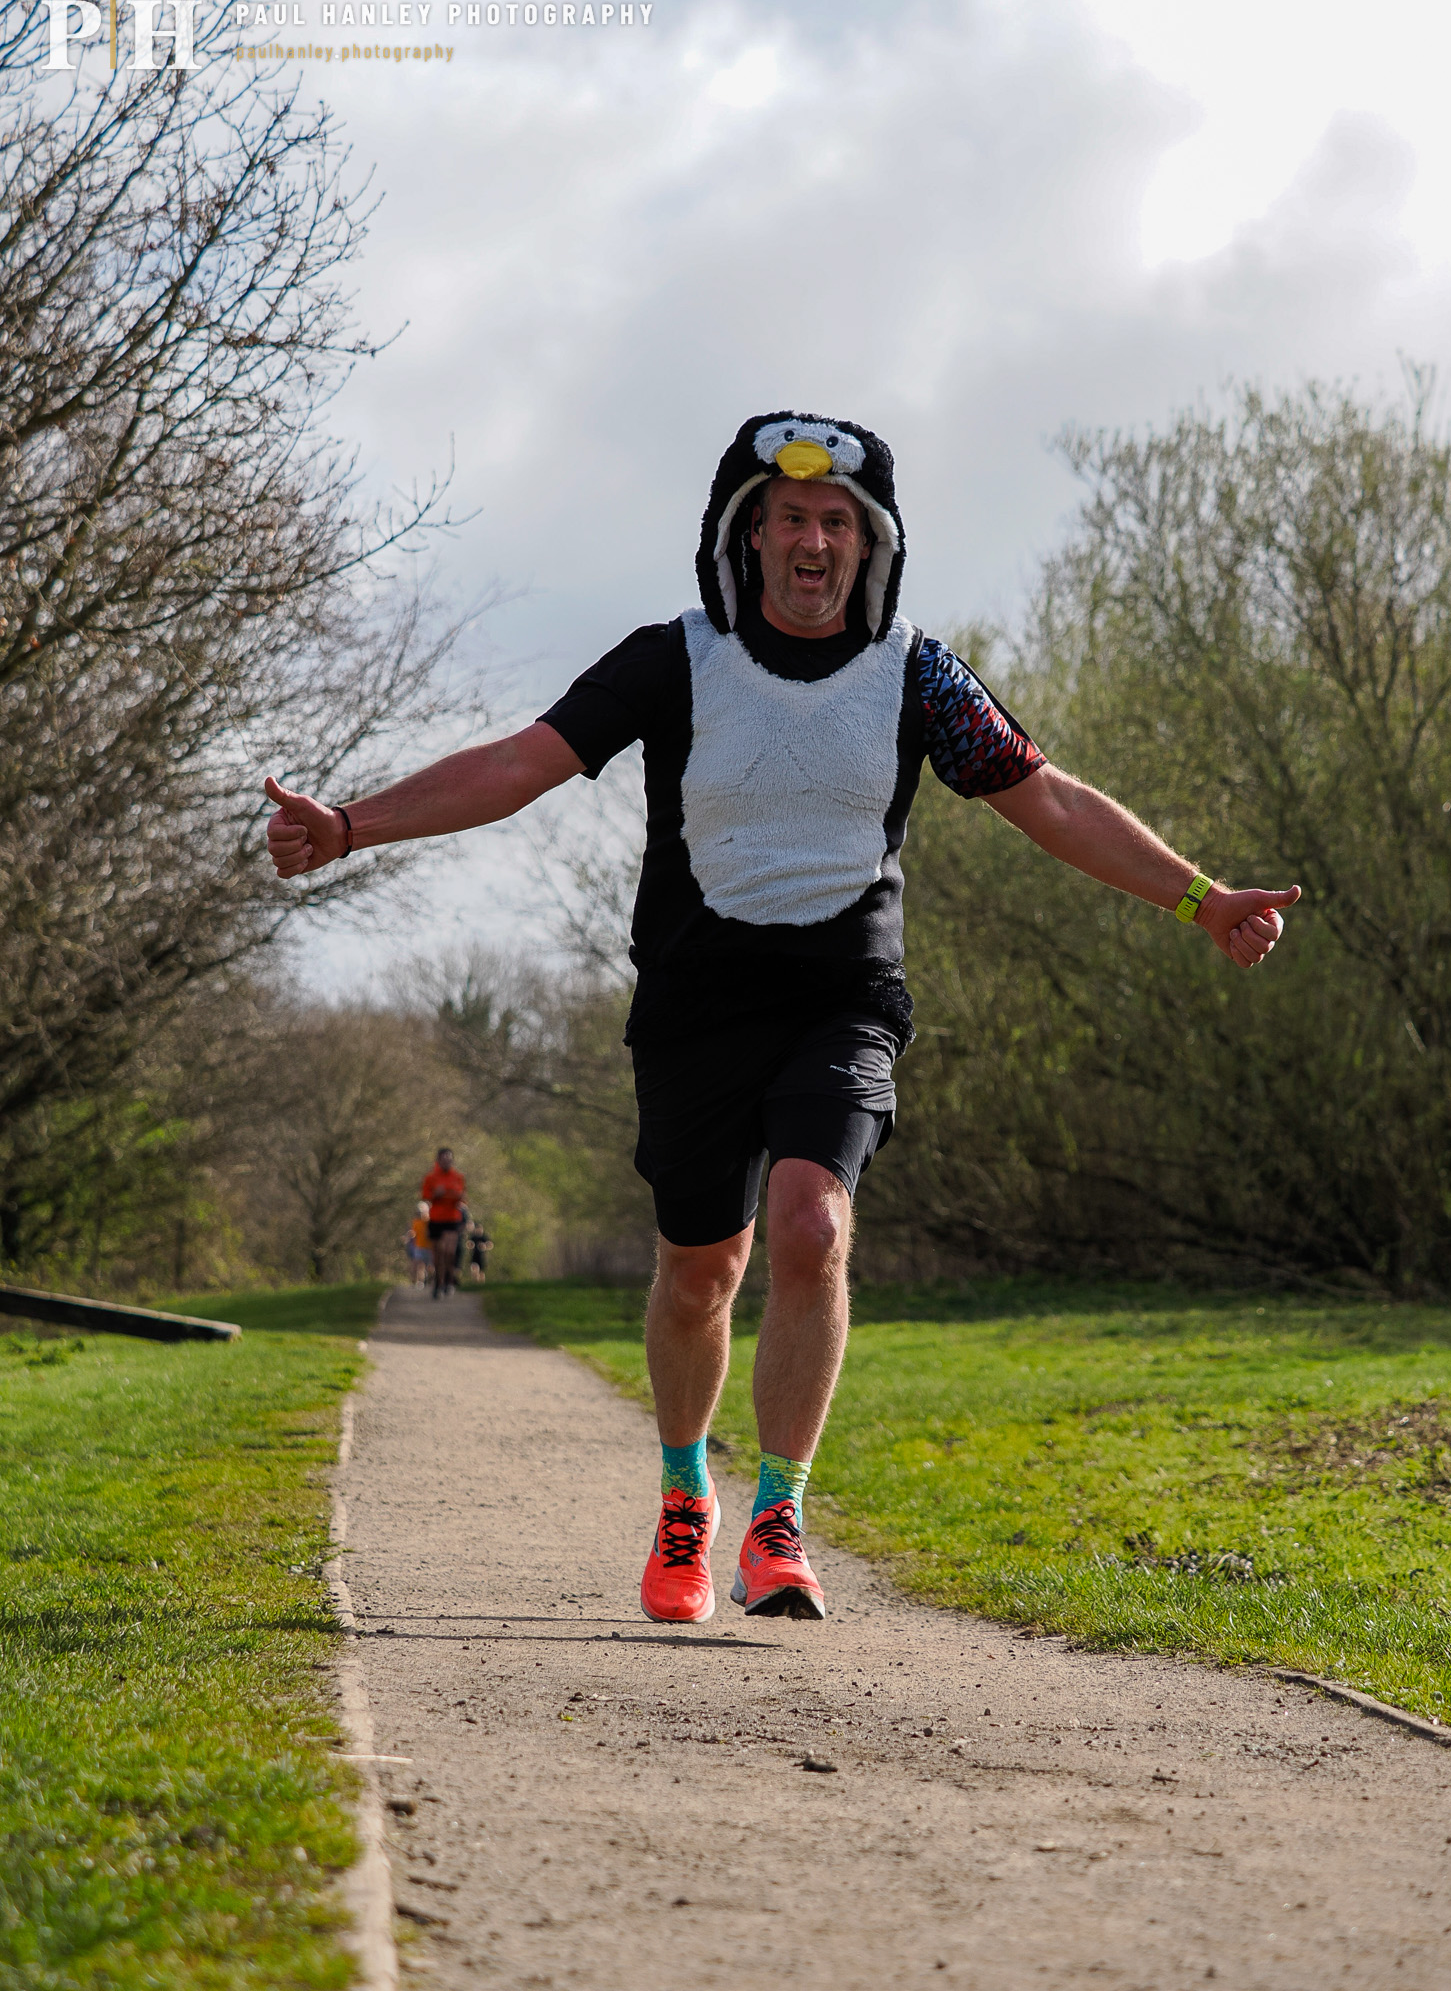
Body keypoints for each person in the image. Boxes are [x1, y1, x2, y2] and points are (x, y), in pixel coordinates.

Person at [264, 410, 1299, 1627]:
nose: (814, 541)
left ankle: (780, 1514)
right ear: (749, 537)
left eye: (837, 525)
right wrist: (349, 826)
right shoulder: (670, 658)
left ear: (870, 548)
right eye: (791, 519)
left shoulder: (919, 673)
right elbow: (516, 765)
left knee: (811, 1226)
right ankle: (683, 1496)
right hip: (696, 1005)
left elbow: (1051, 799)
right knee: (703, 1267)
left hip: (841, 1000)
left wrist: (1200, 895)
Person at [420, 1147, 465, 1300]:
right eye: (444, 1159)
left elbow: (463, 1197)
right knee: (438, 1254)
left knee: (449, 1252)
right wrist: (435, 1194)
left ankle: (449, 1281)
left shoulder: (458, 1177)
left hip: (452, 1218)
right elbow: (425, 1196)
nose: (447, 1161)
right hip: (436, 1219)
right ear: (438, 1160)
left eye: (449, 1159)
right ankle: (438, 1283)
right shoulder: (431, 1178)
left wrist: (458, 1196)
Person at [405, 1202, 432, 1287]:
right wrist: (409, 1235)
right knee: (419, 1265)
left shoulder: (429, 1221)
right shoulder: (416, 1222)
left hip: (429, 1247)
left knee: (430, 1267)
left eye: (421, 1212)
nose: (420, 1214)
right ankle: (419, 1282)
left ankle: (430, 1280)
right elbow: (414, 1232)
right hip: (419, 1247)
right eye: (418, 1212)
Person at [465, 1218, 493, 1283]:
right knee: (474, 1269)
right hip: (474, 1256)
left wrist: (485, 1246)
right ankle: (475, 1281)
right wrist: (470, 1245)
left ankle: (481, 1283)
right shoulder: (473, 1237)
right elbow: (468, 1243)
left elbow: (490, 1244)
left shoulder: (484, 1237)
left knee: (481, 1272)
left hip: (482, 1257)